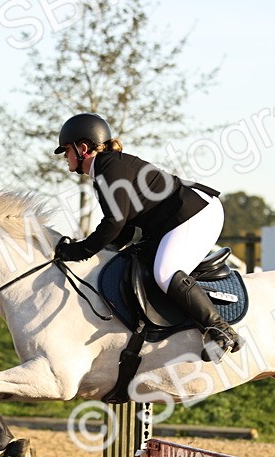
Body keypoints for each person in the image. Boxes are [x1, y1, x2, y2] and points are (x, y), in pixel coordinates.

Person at [51, 112, 241, 362]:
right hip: (177, 219)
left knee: (165, 273)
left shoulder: (109, 168)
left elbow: (114, 223)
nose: (65, 157)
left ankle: (220, 329)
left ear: (82, 148)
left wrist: (78, 251)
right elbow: (125, 228)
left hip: (194, 214)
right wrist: (103, 251)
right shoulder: (107, 168)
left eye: (66, 150)